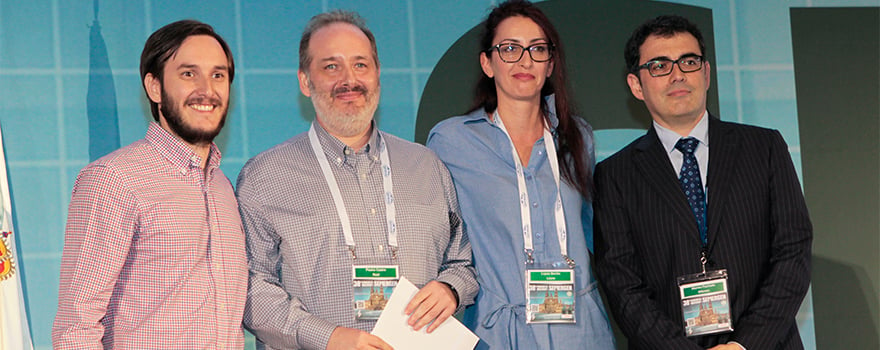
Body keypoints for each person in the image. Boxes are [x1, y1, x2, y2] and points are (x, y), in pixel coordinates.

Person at [236, 10, 478, 350]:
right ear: (305, 81)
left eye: (361, 65)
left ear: (378, 75)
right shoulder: (265, 176)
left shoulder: (427, 166)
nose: (349, 79)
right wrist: (327, 338)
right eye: (331, 66)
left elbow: (462, 263)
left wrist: (451, 289)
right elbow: (249, 287)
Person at [593, 15, 812, 349]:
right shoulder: (616, 175)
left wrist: (744, 345)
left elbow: (792, 253)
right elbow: (622, 284)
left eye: (689, 61)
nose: (678, 74)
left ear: (706, 74)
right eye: (659, 66)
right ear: (636, 85)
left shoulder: (764, 148)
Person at [427, 1, 615, 348]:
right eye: (510, 48)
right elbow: (439, 240)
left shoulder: (579, 137)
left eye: (537, 49)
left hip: (581, 332)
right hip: (496, 334)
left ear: (550, 64)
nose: (525, 60)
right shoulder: (451, 141)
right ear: (488, 63)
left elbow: (597, 235)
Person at [52, 20, 247, 348]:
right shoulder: (113, 179)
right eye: (188, 74)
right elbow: (76, 327)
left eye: (218, 75)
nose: (207, 90)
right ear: (154, 87)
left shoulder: (222, 187)